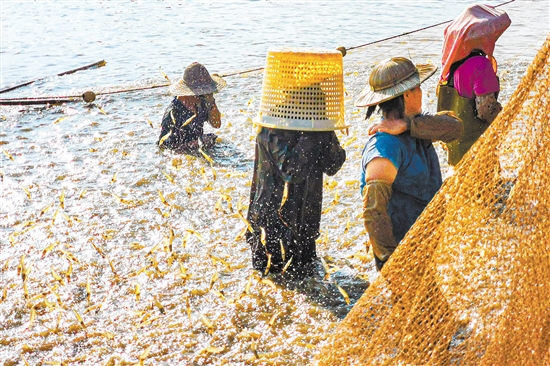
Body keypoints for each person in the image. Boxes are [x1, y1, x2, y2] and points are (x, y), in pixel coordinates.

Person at [355, 57, 463, 271]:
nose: (422, 93)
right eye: (418, 88)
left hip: (423, 240)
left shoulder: (417, 126)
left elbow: (454, 128)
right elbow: (373, 211)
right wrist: (391, 261)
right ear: (407, 94)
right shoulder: (386, 145)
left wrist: (406, 125)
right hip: (401, 250)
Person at [246, 48, 346, 279]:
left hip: (306, 222)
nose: (322, 104)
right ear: (298, 101)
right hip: (271, 225)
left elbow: (334, 165)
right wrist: (312, 134)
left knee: (306, 278)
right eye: (316, 100)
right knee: (272, 280)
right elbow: (293, 170)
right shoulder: (272, 128)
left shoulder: (318, 127)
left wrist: (325, 132)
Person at [437, 4, 511, 166]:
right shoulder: (481, 65)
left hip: (456, 151)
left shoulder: (451, 69)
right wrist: (506, 115)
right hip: (477, 151)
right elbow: (486, 110)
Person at [157, 62, 227, 152]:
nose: (205, 95)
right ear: (188, 92)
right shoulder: (173, 113)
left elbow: (216, 124)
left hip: (198, 145)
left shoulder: (203, 102)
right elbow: (163, 146)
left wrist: (211, 102)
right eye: (201, 93)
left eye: (207, 92)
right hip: (182, 151)